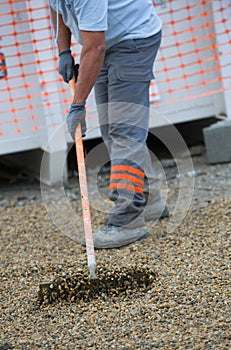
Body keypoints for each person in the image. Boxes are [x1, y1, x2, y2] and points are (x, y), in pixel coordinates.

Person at [49, 0, 169, 249]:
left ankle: (128, 218)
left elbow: (95, 46)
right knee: (111, 130)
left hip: (132, 39)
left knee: (124, 131)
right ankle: (149, 198)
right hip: (104, 41)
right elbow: (58, 8)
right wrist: (63, 50)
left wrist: (77, 104)